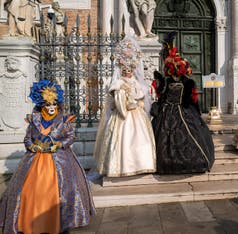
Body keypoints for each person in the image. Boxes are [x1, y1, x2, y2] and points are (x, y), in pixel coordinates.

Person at [0, 80, 96, 233]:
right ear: (42, 106)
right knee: (29, 192)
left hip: (60, 160)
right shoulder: (34, 121)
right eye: (48, 105)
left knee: (59, 191)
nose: (52, 108)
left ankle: (57, 222)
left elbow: (71, 137)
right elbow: (27, 139)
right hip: (34, 161)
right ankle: (30, 222)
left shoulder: (64, 121)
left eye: (54, 105)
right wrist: (32, 146)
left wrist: (58, 144)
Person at [94, 36, 156, 177]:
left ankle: (142, 164)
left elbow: (140, 94)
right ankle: (120, 167)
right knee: (122, 140)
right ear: (121, 69)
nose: (128, 71)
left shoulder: (135, 82)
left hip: (137, 114)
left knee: (140, 140)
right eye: (125, 69)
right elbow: (116, 99)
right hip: (122, 115)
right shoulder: (118, 83)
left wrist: (138, 102)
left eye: (130, 69)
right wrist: (123, 100)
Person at [151, 42, 215, 174]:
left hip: (169, 112)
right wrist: (197, 115)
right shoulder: (181, 82)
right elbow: (190, 101)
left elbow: (164, 98)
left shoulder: (175, 82)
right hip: (178, 111)